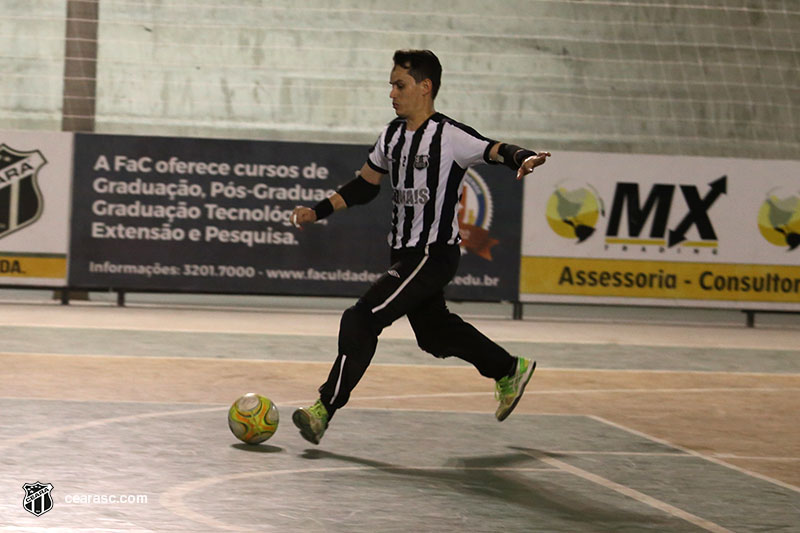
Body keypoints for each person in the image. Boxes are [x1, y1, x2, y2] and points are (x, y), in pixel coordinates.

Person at [290, 49, 550, 445]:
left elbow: (494, 149)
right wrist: (318, 210)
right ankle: (508, 369)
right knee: (434, 335)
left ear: (425, 87)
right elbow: (364, 185)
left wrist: (524, 156)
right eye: (391, 85)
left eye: (400, 85)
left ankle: (324, 408)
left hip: (432, 253)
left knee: (361, 318)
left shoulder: (449, 136)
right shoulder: (392, 136)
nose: (391, 93)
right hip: (405, 253)